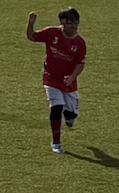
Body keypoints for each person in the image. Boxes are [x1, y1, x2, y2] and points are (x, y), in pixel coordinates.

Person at [26, 8, 87, 153]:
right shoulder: (51, 33)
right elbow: (32, 37)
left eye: (76, 23)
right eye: (70, 23)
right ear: (62, 22)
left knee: (71, 113)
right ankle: (56, 142)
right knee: (56, 107)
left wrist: (72, 77)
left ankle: (70, 116)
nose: (74, 26)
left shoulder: (80, 43)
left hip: (68, 83)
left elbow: (80, 64)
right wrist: (30, 23)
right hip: (51, 78)